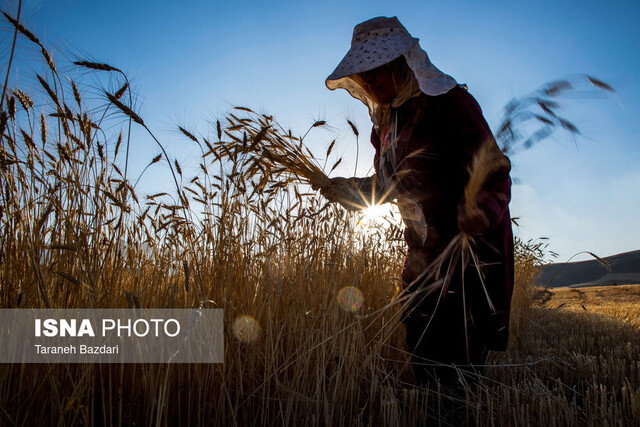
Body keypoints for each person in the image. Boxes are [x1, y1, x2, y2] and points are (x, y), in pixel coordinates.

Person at [321, 16, 514, 390]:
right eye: (362, 75)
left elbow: (495, 170)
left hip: (465, 255)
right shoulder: (386, 123)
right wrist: (351, 190)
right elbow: (393, 186)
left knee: (460, 366)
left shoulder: (450, 103)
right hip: (422, 256)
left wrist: (480, 211)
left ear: (402, 64)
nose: (368, 82)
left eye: (375, 71)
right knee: (422, 350)